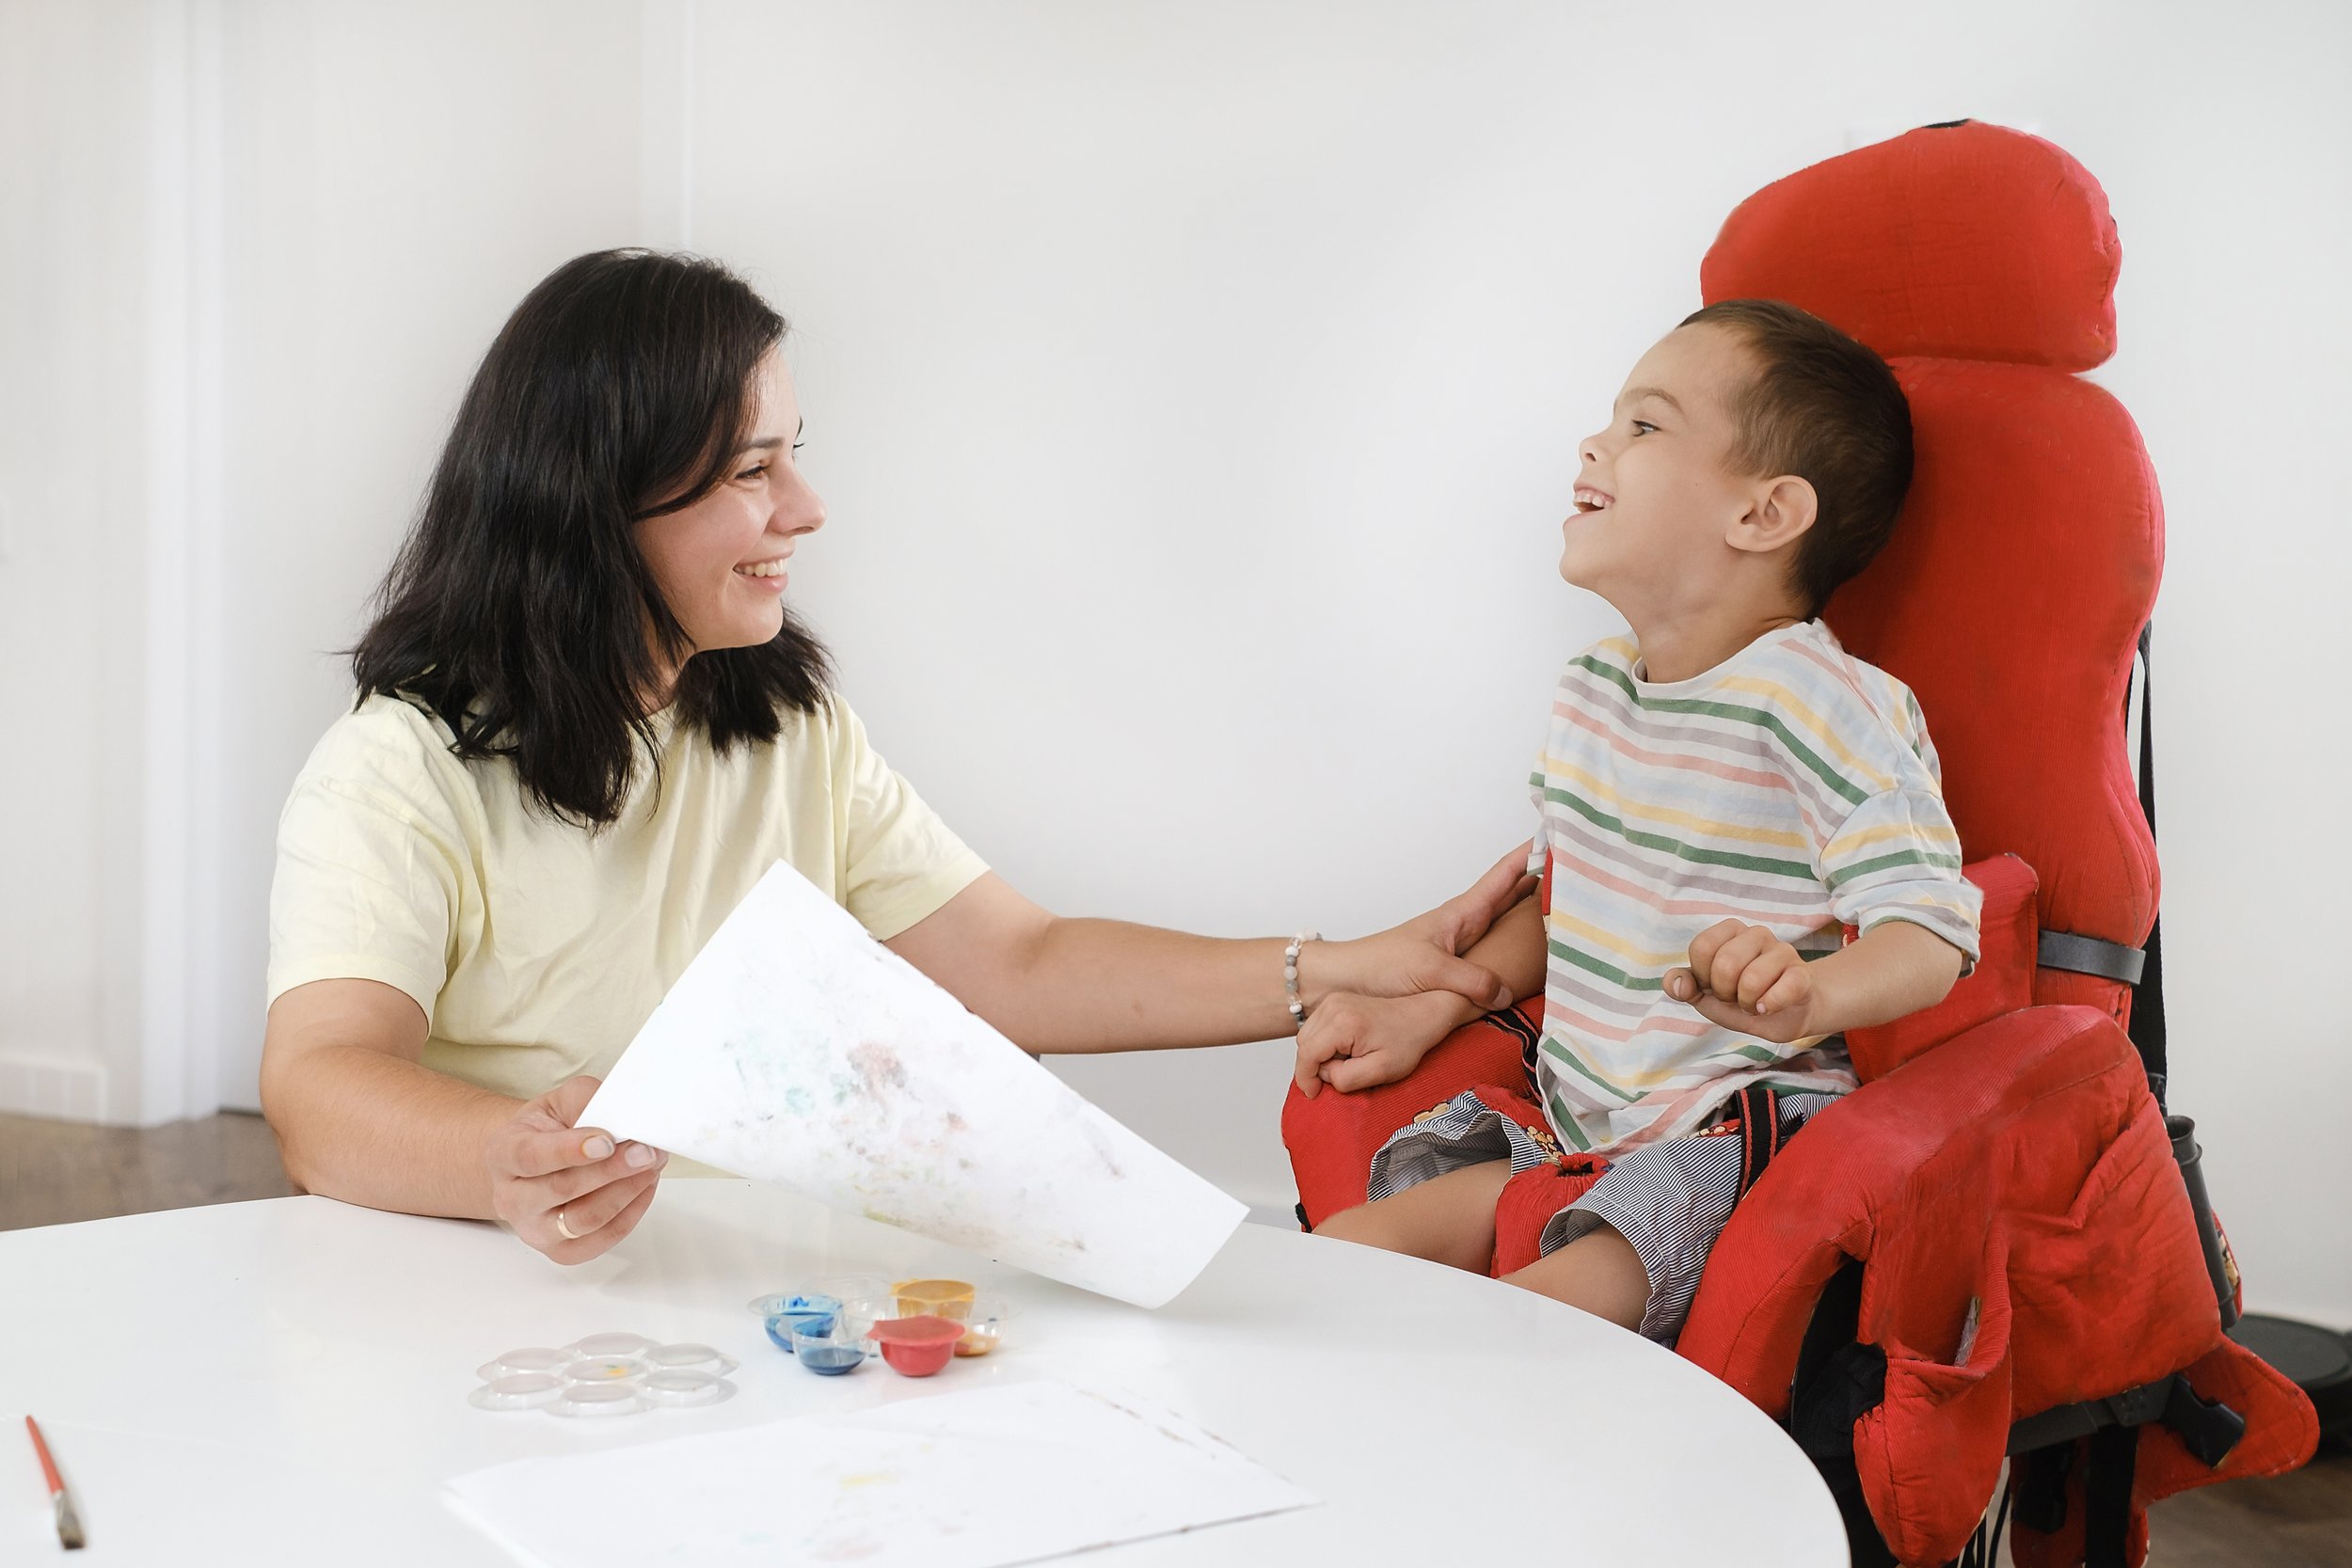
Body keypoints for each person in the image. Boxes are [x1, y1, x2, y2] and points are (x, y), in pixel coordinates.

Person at [260, 248, 1527, 1264]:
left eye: (794, 454)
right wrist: (504, 1157)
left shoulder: (785, 726)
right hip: (509, 1297)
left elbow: (1019, 964)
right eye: (755, 468)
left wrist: (1344, 965)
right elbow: (320, 1081)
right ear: (598, 502)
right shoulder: (399, 767)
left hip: (763, 1289)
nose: (804, 507)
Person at [1294, 300, 1983, 1343]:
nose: (1594, 442)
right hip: (1579, 1129)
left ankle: (1436, 1430)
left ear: (1762, 515)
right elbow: (1568, 907)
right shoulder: (1591, 690)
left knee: (1514, 1319)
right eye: (1611, 421)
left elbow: (1931, 930)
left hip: (1736, 1136)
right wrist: (1439, 996)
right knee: (1348, 1249)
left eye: (1644, 426)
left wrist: (1807, 993)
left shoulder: (1821, 701)